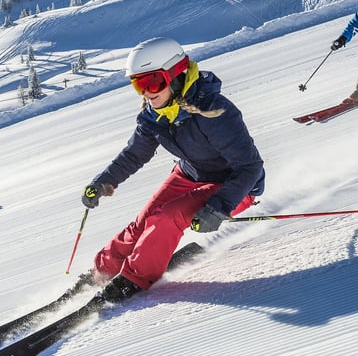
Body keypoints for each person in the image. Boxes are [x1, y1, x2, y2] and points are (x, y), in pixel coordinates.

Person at [81, 37, 266, 302]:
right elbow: (134, 154)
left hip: (235, 185)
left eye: (151, 82)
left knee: (166, 218)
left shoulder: (213, 110)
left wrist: (219, 207)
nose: (146, 92)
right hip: (190, 174)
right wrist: (103, 182)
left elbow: (250, 166)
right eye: (137, 84)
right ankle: (102, 271)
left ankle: (133, 279)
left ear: (175, 75)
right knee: (142, 223)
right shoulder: (154, 115)